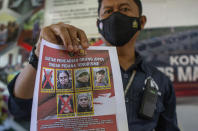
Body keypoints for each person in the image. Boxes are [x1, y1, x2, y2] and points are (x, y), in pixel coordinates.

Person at [8, 0, 180, 130]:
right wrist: (39, 54)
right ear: (99, 24)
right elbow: (19, 107)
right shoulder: (69, 67)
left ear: (141, 22)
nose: (115, 16)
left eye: (124, 9)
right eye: (108, 11)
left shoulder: (160, 81)